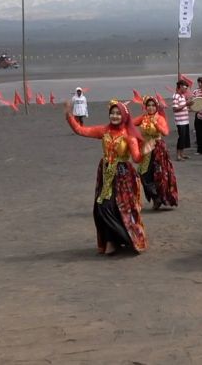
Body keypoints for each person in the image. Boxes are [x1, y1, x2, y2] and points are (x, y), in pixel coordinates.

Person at [65, 99, 148, 255]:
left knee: (122, 209)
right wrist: (69, 115)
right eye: (112, 113)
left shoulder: (129, 136)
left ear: (124, 116)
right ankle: (112, 241)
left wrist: (144, 151)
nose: (115, 116)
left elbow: (136, 158)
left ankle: (121, 240)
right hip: (105, 172)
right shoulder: (104, 131)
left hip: (123, 175)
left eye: (118, 114)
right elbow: (80, 130)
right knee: (102, 207)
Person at [133, 96, 179, 210]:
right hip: (146, 148)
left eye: (153, 105)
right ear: (145, 106)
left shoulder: (159, 118)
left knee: (159, 175)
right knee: (143, 174)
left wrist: (156, 124)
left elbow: (166, 132)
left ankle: (160, 198)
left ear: (157, 107)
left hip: (157, 149)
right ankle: (155, 197)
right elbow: (131, 123)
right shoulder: (143, 117)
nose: (151, 108)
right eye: (148, 105)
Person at [172, 80, 191, 161]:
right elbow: (175, 109)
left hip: (185, 120)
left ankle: (182, 154)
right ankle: (178, 155)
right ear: (180, 87)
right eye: (185, 87)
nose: (186, 89)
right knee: (181, 138)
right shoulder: (176, 96)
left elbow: (184, 108)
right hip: (180, 121)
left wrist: (190, 107)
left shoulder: (183, 96)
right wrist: (186, 104)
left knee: (185, 138)